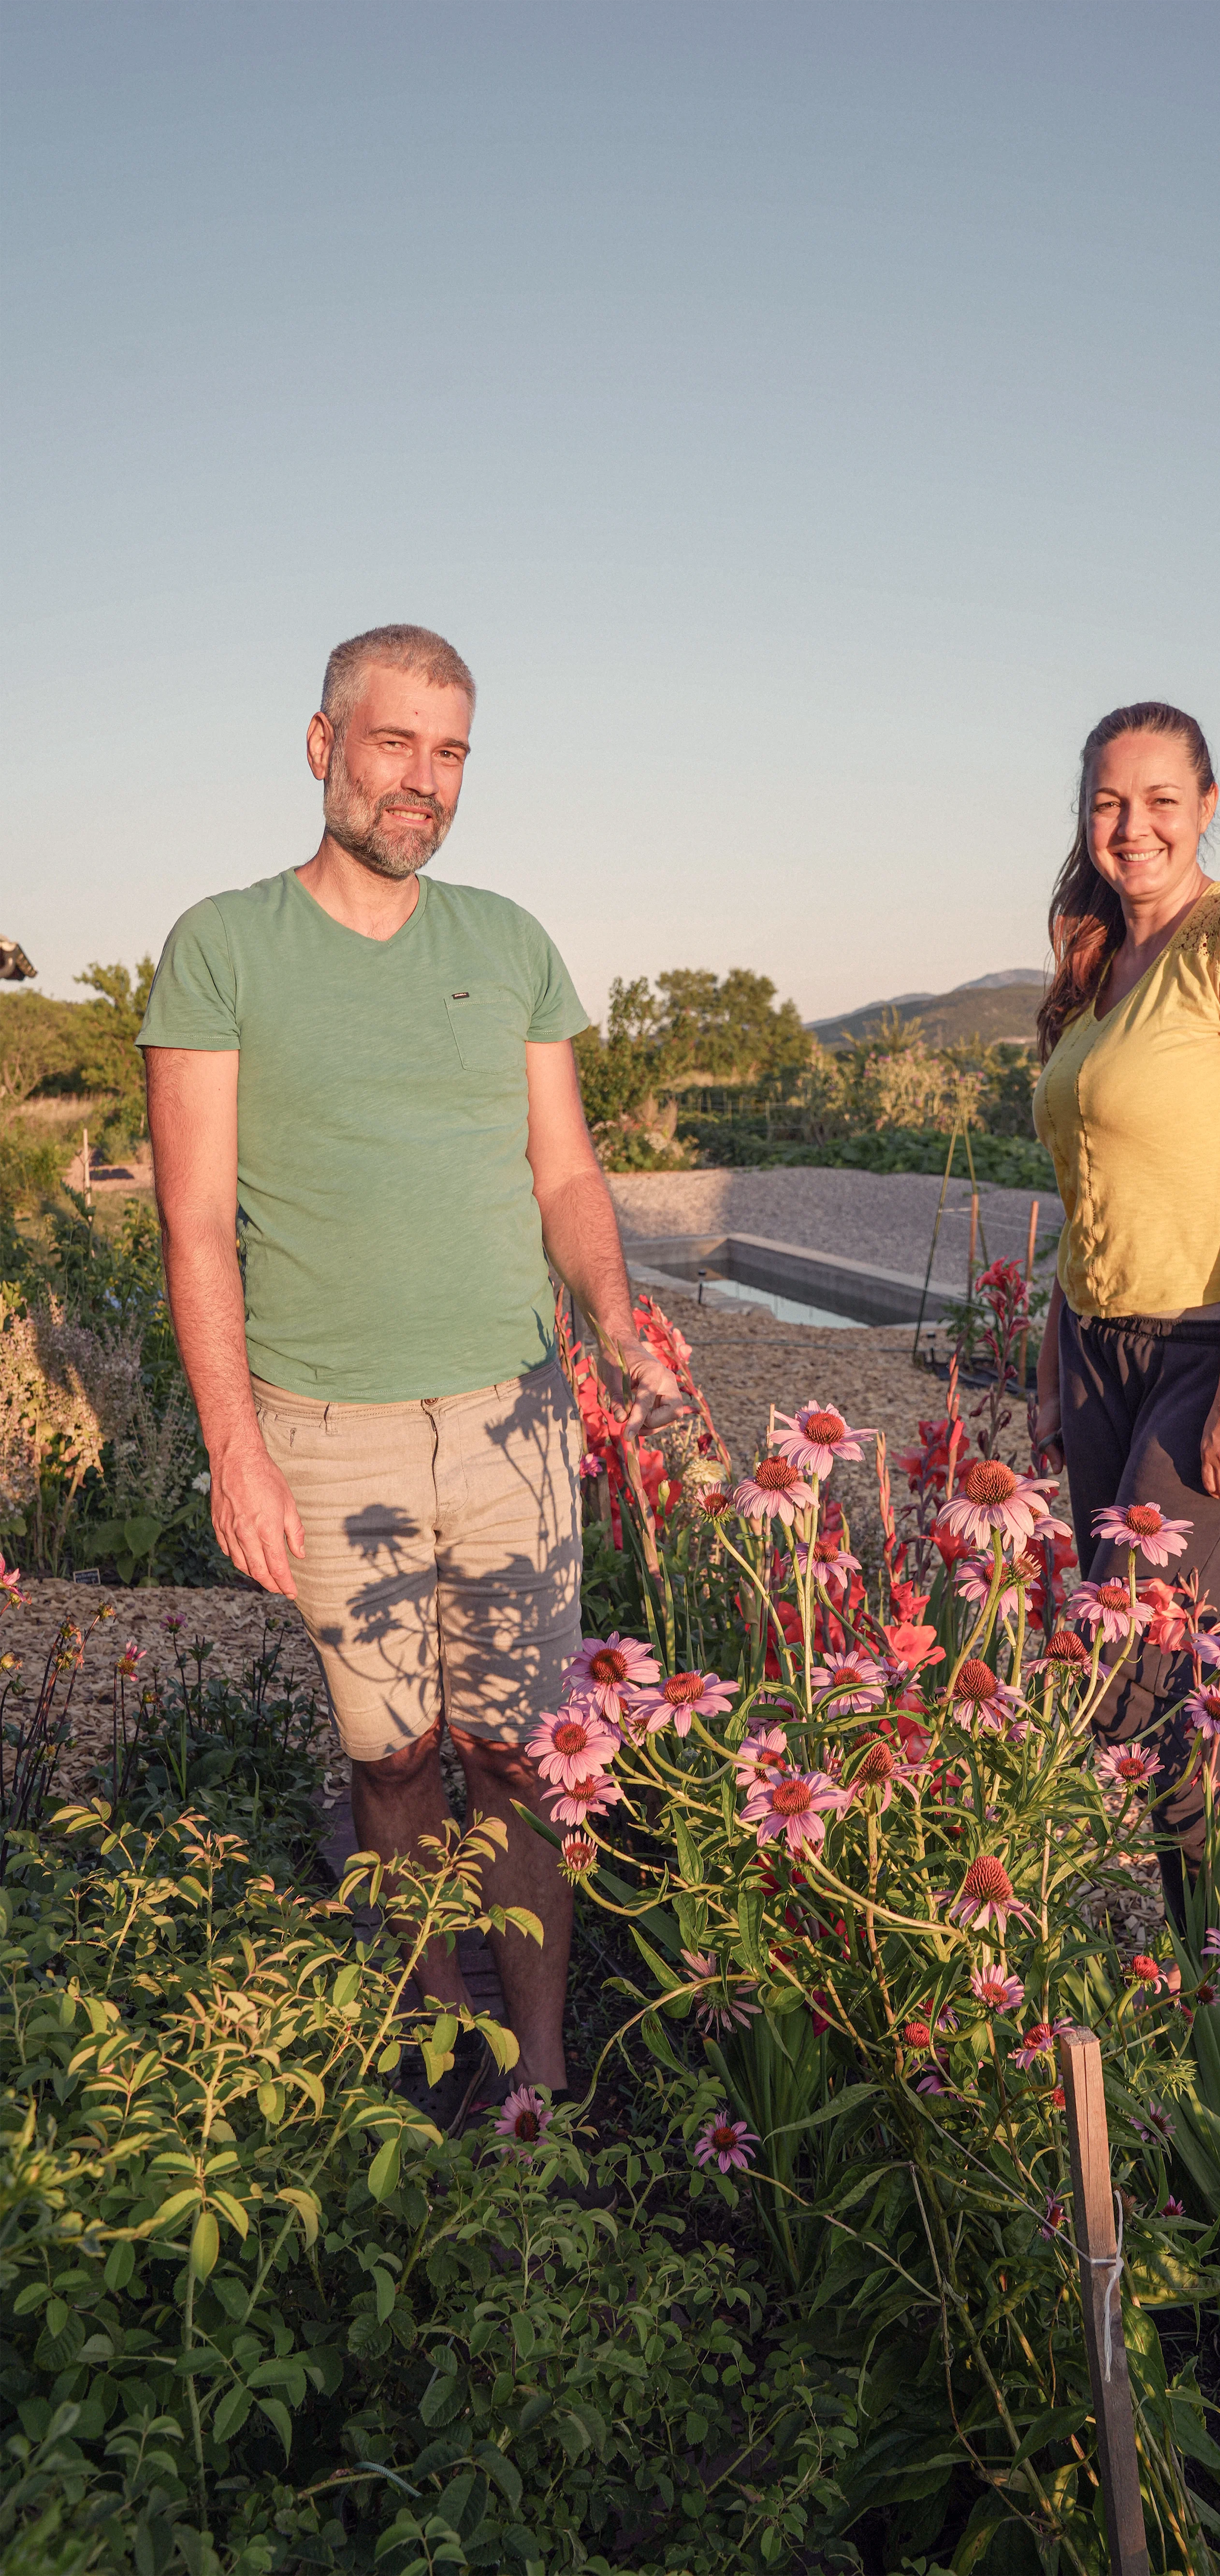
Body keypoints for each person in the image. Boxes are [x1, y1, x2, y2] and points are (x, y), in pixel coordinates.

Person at [141, 622, 685, 2106]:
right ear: (323, 745)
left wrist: (614, 1319)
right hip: (329, 1431)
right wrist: (237, 1449)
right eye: (394, 744)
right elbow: (195, 1227)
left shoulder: (507, 941)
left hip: (514, 1418)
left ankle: (545, 2074)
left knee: (517, 1759)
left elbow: (564, 1172)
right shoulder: (221, 947)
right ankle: (449, 2025)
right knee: (391, 1763)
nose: (423, 783)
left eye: (450, 754)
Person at [1031, 700, 1220, 1922]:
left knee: (1134, 1664)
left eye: (1161, 799)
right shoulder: (1099, 956)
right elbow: (1086, 1186)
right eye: (1109, 801)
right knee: (1168, 1693)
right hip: (1104, 1346)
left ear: (1207, 804)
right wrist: (1058, 1364)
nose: (1133, 825)